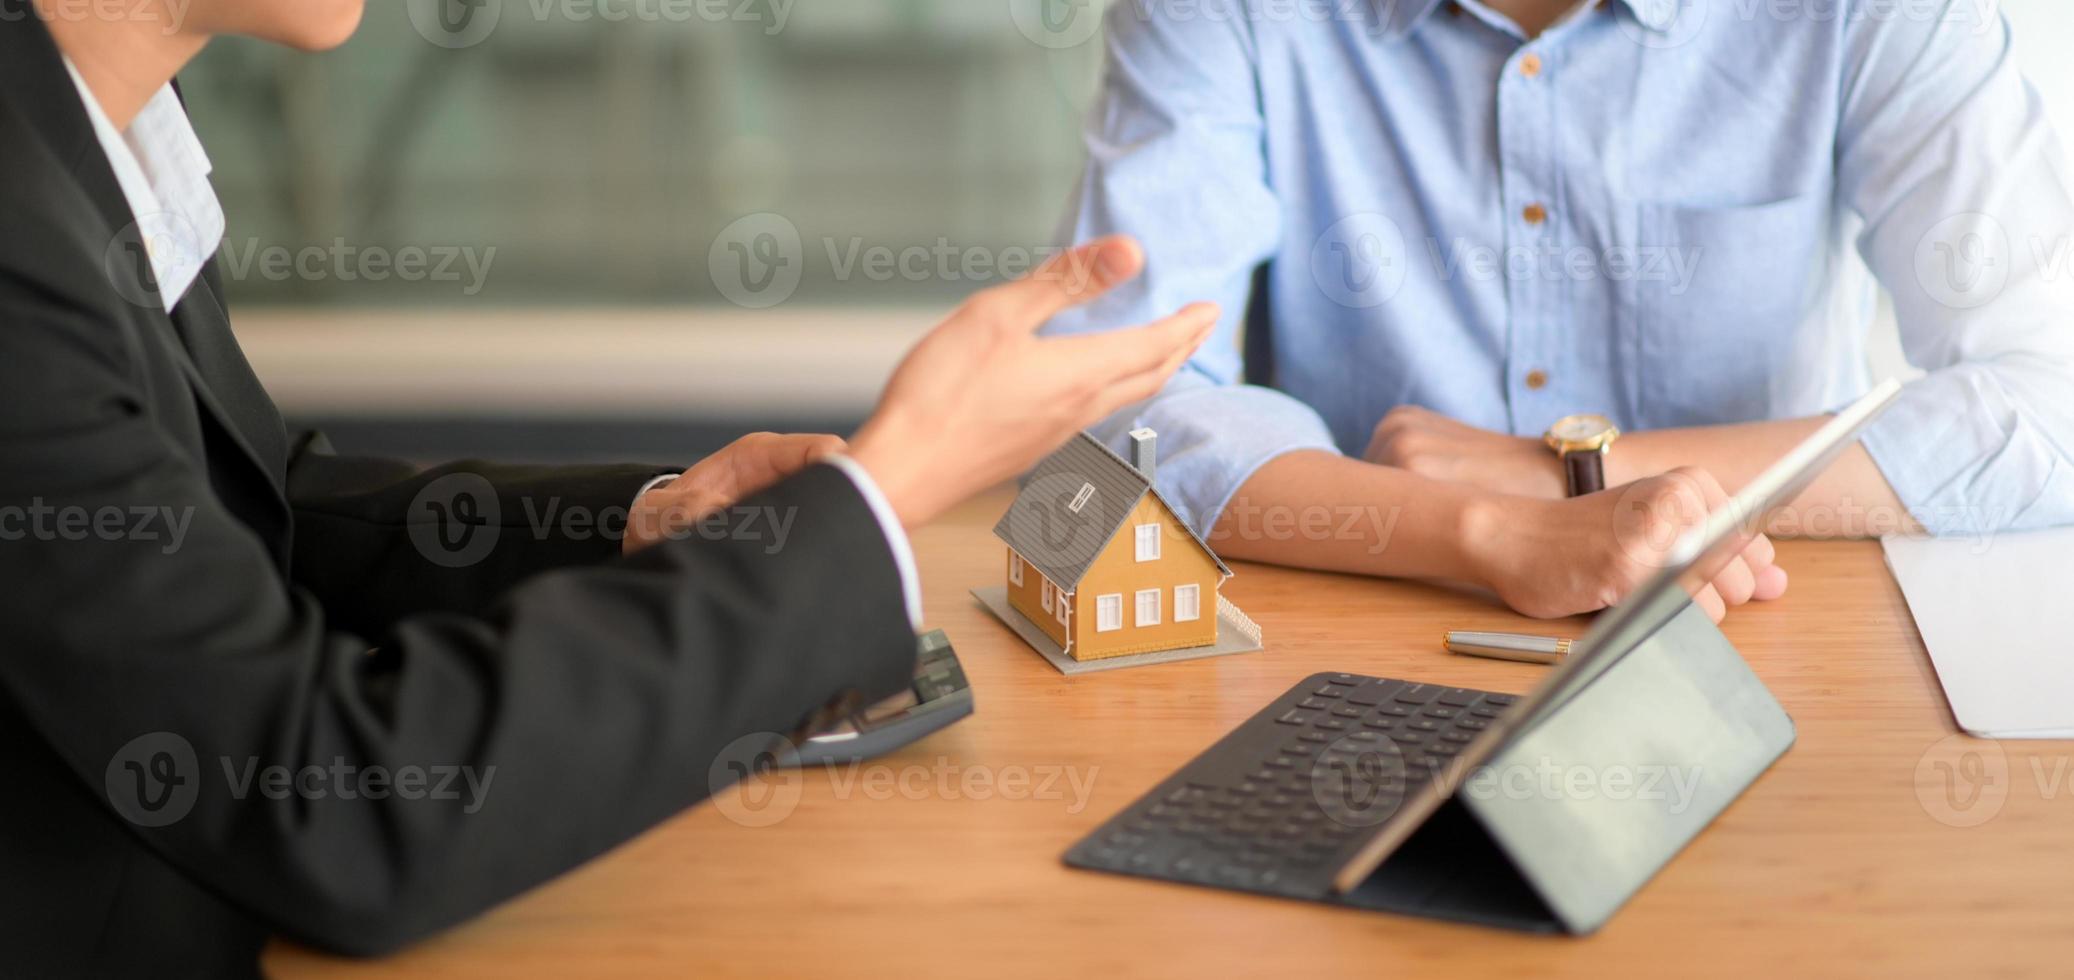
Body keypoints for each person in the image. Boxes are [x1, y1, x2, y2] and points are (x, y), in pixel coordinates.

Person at [0, 0, 1222, 973]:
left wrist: (649, 523)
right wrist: (885, 490)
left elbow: (252, 506)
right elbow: (327, 798)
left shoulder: (91, 148)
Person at [1045, 0, 2074, 620]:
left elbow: (2052, 401)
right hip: (1364, 626)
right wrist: (1487, 530)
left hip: (1761, 623)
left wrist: (1571, 476)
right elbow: (1107, 410)